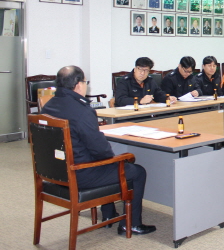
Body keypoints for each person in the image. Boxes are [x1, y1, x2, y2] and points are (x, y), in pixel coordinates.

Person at [41, 66, 156, 235]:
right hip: (79, 175)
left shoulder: (48, 106)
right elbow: (101, 150)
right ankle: (131, 223)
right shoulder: (82, 110)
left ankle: (109, 215)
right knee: (136, 171)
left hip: (54, 173)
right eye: (85, 82)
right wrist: (116, 159)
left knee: (102, 163)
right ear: (78, 85)